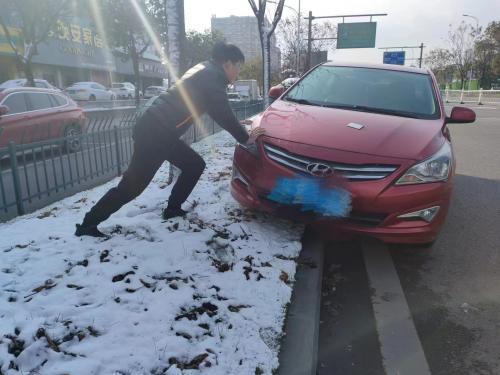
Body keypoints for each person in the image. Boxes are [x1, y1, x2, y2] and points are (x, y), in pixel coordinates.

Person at [75, 43, 265, 237]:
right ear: (227, 63)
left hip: (160, 129)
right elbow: (222, 113)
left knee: (194, 165)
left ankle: (173, 209)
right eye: (238, 67)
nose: (238, 73)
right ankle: (87, 224)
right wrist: (246, 138)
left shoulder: (204, 69)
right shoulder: (213, 77)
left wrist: (240, 124)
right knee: (131, 187)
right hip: (156, 131)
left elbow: (215, 108)